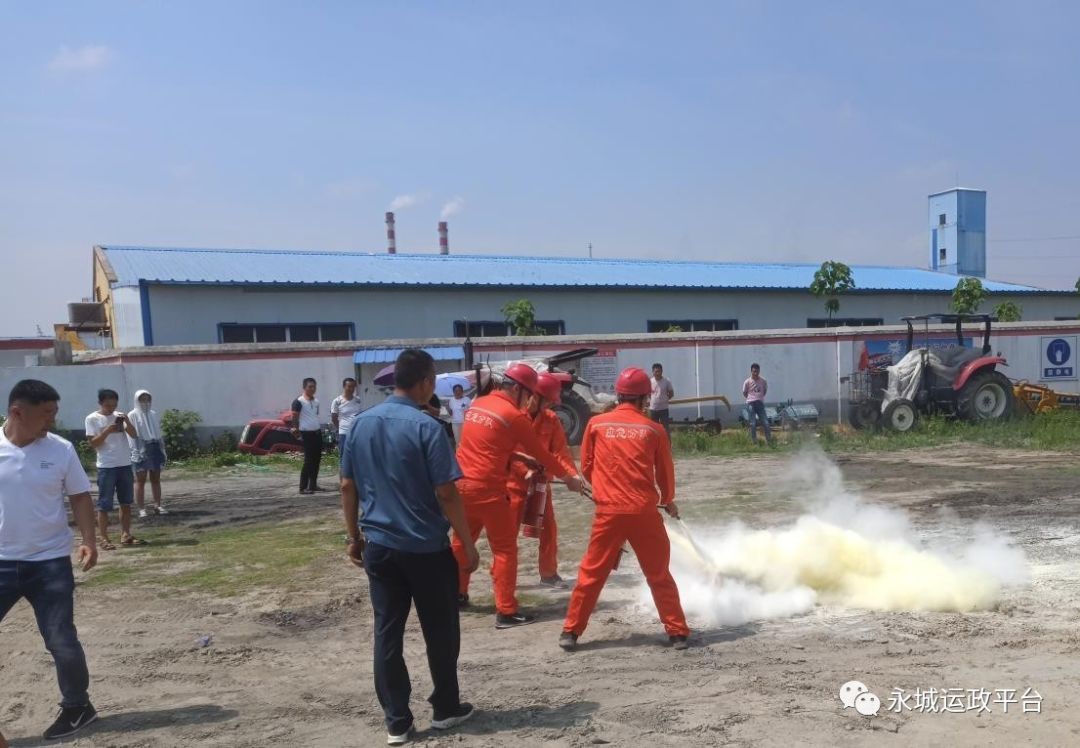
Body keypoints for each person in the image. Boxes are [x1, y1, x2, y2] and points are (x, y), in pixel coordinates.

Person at [341, 349, 480, 744]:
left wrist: (354, 537)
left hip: (380, 548)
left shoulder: (360, 425)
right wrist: (467, 543)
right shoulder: (427, 428)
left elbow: (347, 486)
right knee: (440, 630)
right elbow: (447, 492)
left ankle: (397, 721)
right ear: (423, 383)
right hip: (425, 548)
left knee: (388, 632)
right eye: (432, 379)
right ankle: (445, 707)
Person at [559, 366, 689, 652]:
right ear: (644, 398)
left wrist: (606, 489)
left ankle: (570, 631)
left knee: (591, 574)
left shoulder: (596, 425)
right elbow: (665, 473)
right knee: (658, 574)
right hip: (644, 513)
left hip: (609, 513)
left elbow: (589, 468)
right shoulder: (654, 429)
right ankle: (677, 632)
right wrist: (668, 500)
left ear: (619, 395)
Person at [1, 380, 99, 740]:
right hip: (1, 561)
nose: (51, 422)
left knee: (60, 638)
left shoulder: (60, 450)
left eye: (54, 414)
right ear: (17, 412)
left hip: (50, 563)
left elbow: (80, 497)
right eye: (46, 414)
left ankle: (78, 707)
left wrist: (89, 540)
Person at [451, 363, 583, 629]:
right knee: (505, 549)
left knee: (462, 540)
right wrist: (568, 479)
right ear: (520, 389)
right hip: (490, 489)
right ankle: (506, 612)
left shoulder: (479, 404)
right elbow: (544, 455)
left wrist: (518, 456)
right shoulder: (514, 415)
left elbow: (487, 445)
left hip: (460, 485)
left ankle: (457, 594)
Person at [507, 373, 579, 589]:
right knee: (507, 536)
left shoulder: (551, 420)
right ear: (534, 396)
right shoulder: (513, 417)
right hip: (513, 486)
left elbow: (560, 453)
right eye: (548, 400)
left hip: (539, 486)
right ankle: (502, 577)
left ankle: (548, 573)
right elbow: (509, 451)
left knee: (548, 528)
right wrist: (524, 471)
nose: (550, 405)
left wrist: (572, 476)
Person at [85, 389, 142, 549]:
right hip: (106, 466)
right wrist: (107, 431)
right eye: (107, 405)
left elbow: (134, 435)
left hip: (124, 464)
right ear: (100, 403)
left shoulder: (120, 416)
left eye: (114, 404)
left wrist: (127, 422)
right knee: (104, 504)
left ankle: (126, 534)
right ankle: (103, 538)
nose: (111, 408)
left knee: (126, 502)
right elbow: (93, 443)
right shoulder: (92, 419)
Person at [127, 389, 168, 517]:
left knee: (156, 478)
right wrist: (135, 450)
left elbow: (158, 432)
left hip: (154, 446)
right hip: (141, 448)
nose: (145, 401)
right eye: (142, 399)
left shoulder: (153, 414)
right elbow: (131, 435)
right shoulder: (132, 415)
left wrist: (162, 448)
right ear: (137, 400)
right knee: (140, 480)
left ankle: (158, 505)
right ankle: (141, 508)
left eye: (147, 399)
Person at [290, 378, 325, 494]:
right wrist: (295, 429)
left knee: (316, 460)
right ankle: (302, 487)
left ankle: (313, 485)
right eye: (310, 386)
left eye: (314, 386)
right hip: (306, 434)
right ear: (304, 387)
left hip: (317, 433)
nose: (312, 389)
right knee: (308, 461)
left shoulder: (316, 402)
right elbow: (294, 417)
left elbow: (315, 415)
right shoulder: (298, 401)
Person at [742, 363, 774, 446]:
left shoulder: (763, 381)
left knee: (766, 423)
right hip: (751, 404)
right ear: (751, 371)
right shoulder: (747, 382)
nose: (755, 373)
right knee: (753, 424)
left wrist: (759, 398)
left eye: (757, 371)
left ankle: (769, 442)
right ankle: (754, 443)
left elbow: (764, 391)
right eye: (754, 371)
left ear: (759, 371)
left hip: (760, 403)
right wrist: (751, 398)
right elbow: (744, 393)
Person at [330, 377, 364, 448]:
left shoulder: (357, 400)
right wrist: (340, 428)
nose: (351, 389)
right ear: (344, 387)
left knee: (356, 454)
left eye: (353, 387)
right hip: (344, 433)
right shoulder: (337, 401)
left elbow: (360, 415)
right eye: (349, 386)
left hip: (356, 432)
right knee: (344, 455)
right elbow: (334, 418)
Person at [649, 363, 675, 439]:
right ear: (653, 372)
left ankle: (668, 446)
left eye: (659, 371)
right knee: (653, 428)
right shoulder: (650, 381)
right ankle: (655, 446)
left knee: (665, 428)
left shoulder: (667, 381)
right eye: (655, 371)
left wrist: (665, 399)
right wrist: (653, 400)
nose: (657, 373)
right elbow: (648, 394)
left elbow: (671, 393)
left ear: (662, 371)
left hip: (664, 409)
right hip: (653, 409)